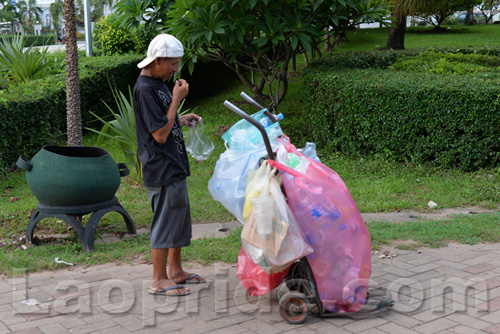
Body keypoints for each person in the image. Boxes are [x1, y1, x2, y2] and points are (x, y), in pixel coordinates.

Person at [133, 34, 205, 296]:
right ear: (158, 60)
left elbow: (164, 119)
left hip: (173, 165)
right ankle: (158, 279)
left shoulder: (159, 83)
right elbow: (159, 135)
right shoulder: (145, 88)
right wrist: (176, 100)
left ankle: (175, 271)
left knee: (177, 218)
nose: (176, 69)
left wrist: (181, 118)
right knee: (164, 222)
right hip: (160, 167)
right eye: (172, 63)